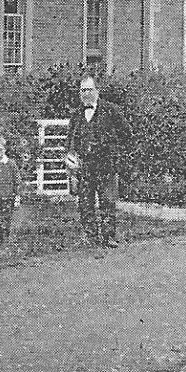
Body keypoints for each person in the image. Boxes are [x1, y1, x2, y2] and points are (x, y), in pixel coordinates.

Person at [66, 75, 131, 248]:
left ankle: (108, 236)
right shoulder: (76, 116)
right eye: (82, 90)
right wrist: (71, 160)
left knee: (107, 201)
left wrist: (116, 155)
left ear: (97, 91)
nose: (85, 94)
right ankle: (90, 236)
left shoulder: (111, 111)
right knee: (85, 202)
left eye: (89, 89)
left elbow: (126, 135)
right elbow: (70, 140)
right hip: (84, 167)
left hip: (106, 165)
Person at [0, 135, 27, 242]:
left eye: (1, 149)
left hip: (8, 197)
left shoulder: (11, 164)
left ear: (5, 149)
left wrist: (17, 196)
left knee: (6, 219)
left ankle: (5, 241)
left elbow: (17, 181)